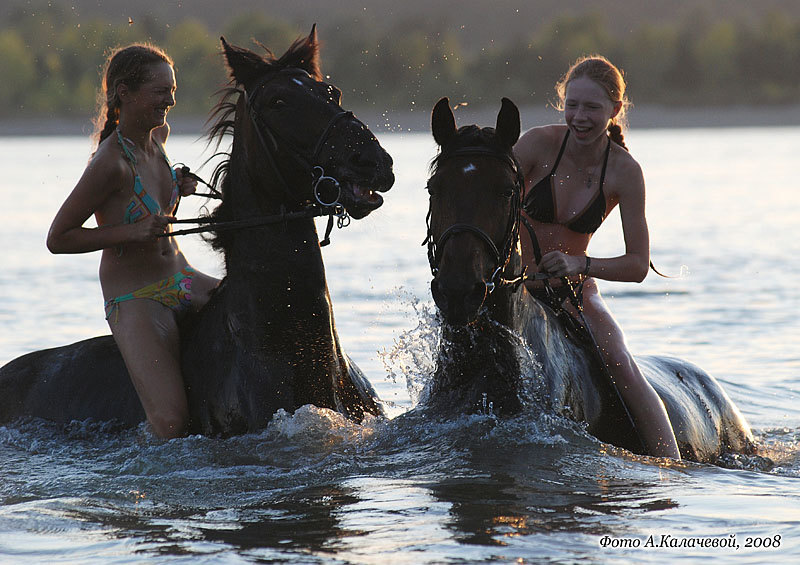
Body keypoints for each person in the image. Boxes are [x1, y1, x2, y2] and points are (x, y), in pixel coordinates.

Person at [46, 44, 220, 439]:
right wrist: (131, 231)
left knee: (259, 303)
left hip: (185, 280)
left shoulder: (158, 136)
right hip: (138, 298)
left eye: (173, 90)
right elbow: (58, 238)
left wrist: (180, 182)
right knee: (172, 424)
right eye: (161, 91)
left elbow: (160, 187)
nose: (171, 100)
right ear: (125, 92)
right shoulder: (109, 163)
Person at [513, 55, 681, 459]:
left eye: (592, 107)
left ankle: (673, 469)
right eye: (572, 105)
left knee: (619, 360)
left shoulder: (625, 171)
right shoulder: (536, 144)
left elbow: (638, 266)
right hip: (514, 285)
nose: (580, 117)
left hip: (575, 292)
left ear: (615, 110)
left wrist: (579, 265)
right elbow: (489, 202)